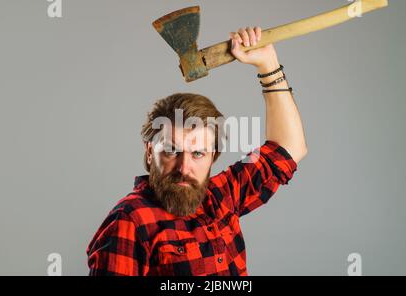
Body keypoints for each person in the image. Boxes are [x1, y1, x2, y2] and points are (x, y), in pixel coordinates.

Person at [86, 26, 308, 275]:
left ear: (213, 156)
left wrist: (268, 65)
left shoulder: (220, 199)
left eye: (198, 154)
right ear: (150, 153)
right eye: (171, 151)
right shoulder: (130, 221)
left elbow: (289, 148)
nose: (184, 168)